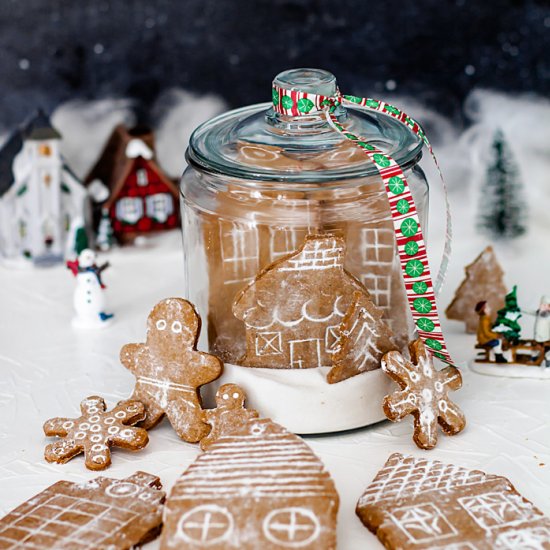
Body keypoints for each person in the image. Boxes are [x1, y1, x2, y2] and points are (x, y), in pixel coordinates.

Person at [523, 296, 550, 366]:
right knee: (535, 347)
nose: (543, 306)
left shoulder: (548, 316)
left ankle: (548, 363)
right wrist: (519, 309)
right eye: (542, 304)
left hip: (546, 337)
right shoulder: (539, 313)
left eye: (545, 305)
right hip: (538, 336)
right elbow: (530, 311)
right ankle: (534, 357)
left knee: (546, 350)